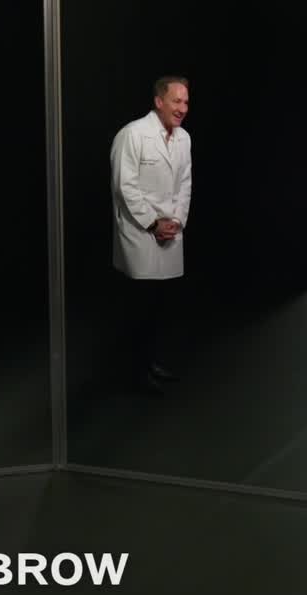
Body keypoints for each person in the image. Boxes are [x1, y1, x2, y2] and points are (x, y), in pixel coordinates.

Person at [109, 75, 193, 394]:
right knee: (139, 307)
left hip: (170, 231)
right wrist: (153, 224)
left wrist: (177, 221)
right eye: (176, 101)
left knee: (160, 307)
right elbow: (124, 187)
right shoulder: (132, 134)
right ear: (159, 102)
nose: (182, 108)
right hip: (140, 234)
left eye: (186, 102)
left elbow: (184, 184)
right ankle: (135, 373)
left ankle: (151, 364)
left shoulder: (184, 138)